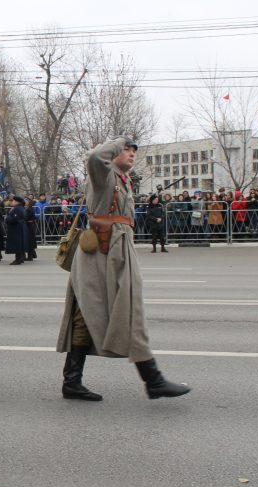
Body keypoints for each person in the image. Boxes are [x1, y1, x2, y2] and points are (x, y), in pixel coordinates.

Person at [55, 137, 190, 401]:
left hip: (112, 251)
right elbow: (94, 157)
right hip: (104, 253)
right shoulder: (103, 174)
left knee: (83, 317)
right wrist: (118, 142)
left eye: (134, 151)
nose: (131, 154)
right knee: (130, 311)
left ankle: (72, 382)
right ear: (114, 153)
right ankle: (153, 380)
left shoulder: (121, 180)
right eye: (126, 150)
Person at [5, 195, 28, 265]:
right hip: (18, 228)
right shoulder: (19, 208)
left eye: (13, 201)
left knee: (17, 244)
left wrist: (7, 219)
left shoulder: (18, 209)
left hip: (16, 228)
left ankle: (18, 259)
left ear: (16, 201)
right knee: (19, 244)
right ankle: (20, 258)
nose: (12, 202)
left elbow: (14, 218)